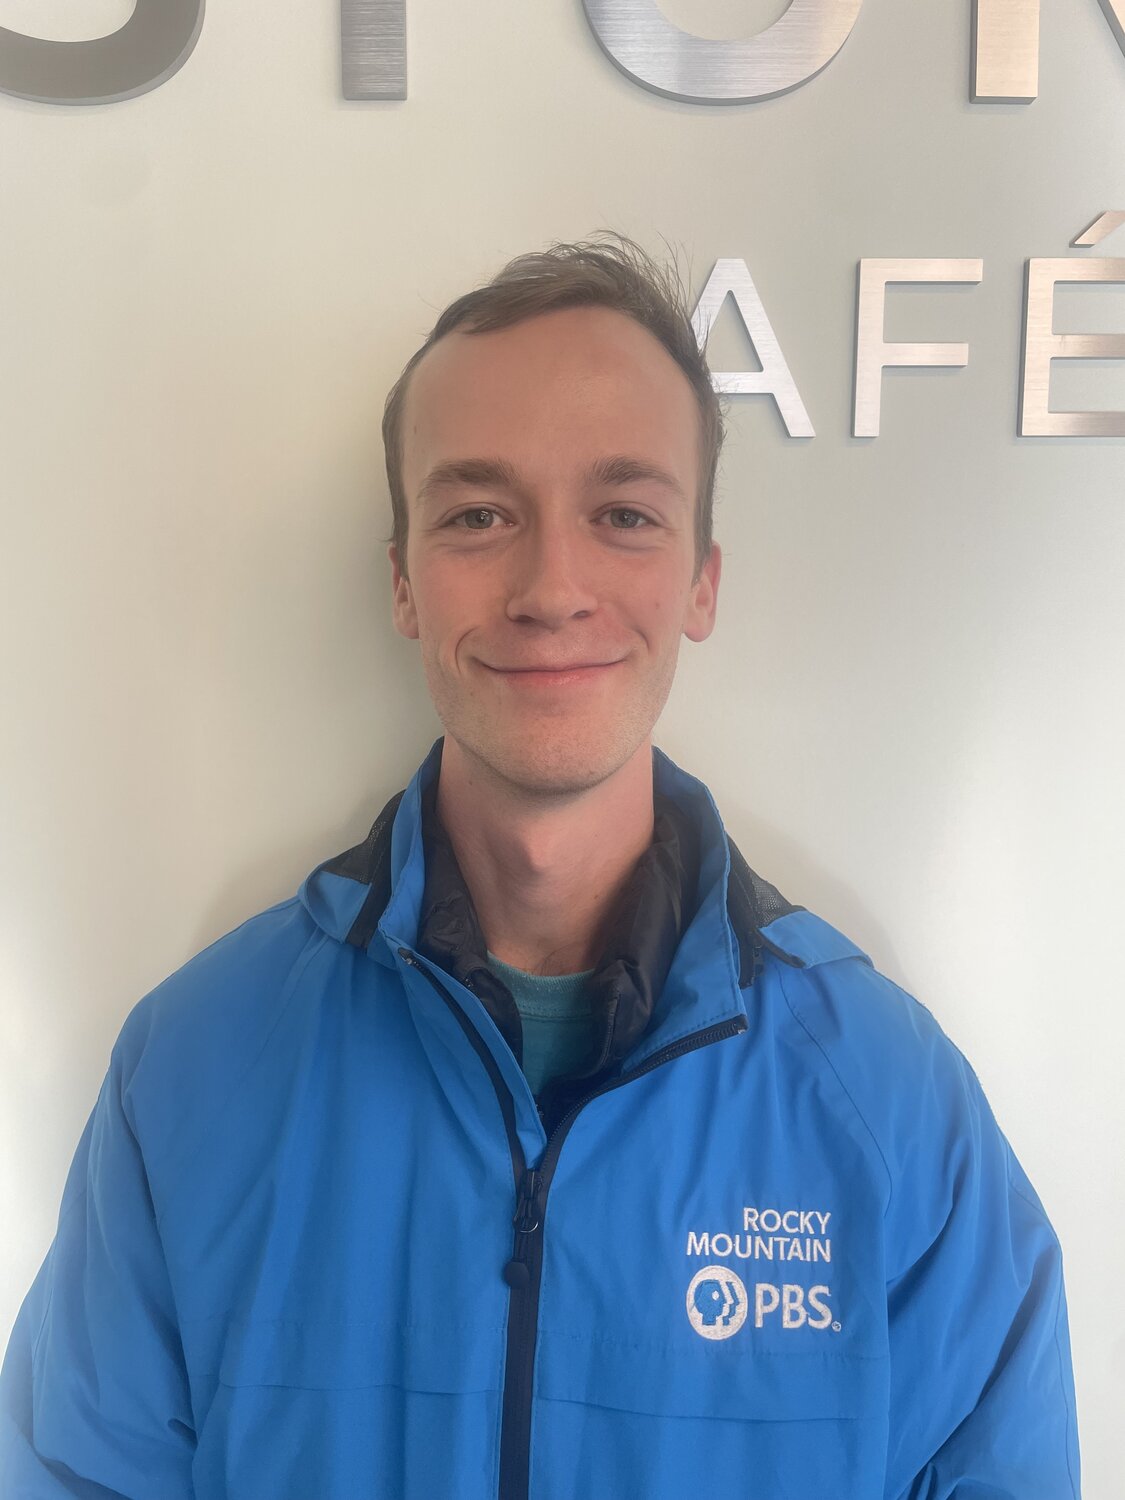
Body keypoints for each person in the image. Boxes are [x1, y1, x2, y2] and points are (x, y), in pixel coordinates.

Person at [0, 234, 1080, 1499]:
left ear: (701, 583)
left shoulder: (892, 1106)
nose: (551, 587)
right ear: (404, 582)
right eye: (478, 515)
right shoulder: (192, 1068)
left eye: (623, 515)